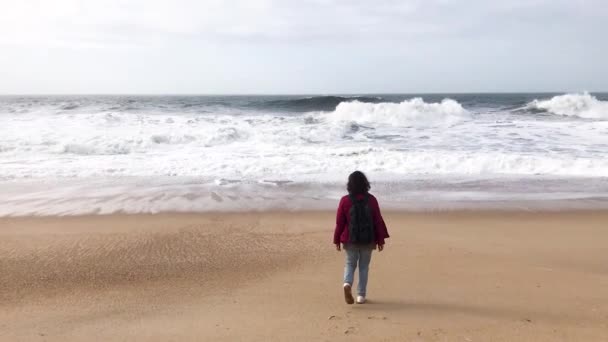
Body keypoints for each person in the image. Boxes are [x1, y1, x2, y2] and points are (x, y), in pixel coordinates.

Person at [333, 171, 389, 304]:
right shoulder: (372, 200)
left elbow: (340, 222)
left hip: (350, 239)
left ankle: (347, 284)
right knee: (364, 266)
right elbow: (377, 221)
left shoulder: (345, 201)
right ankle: (361, 296)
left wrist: (336, 239)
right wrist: (380, 240)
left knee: (350, 264)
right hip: (368, 240)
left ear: (349, 185)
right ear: (366, 184)